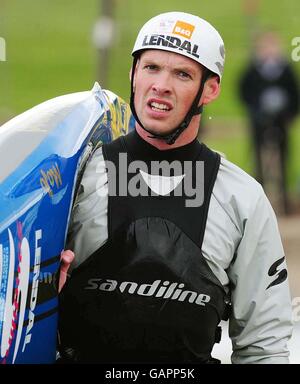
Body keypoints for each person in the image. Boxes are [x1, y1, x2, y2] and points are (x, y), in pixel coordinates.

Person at [58, 12, 293, 364]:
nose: (161, 85)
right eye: (151, 67)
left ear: (210, 89)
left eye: (182, 74)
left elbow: (265, 347)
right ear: (133, 74)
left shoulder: (241, 198)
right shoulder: (74, 179)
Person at [239, 31, 300, 214]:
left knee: (283, 159)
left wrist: (291, 113)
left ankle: (285, 202)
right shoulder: (253, 69)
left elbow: (295, 93)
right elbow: (244, 91)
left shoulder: (286, 70)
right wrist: (254, 110)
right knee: (259, 159)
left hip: (281, 122)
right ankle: (260, 200)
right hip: (259, 122)